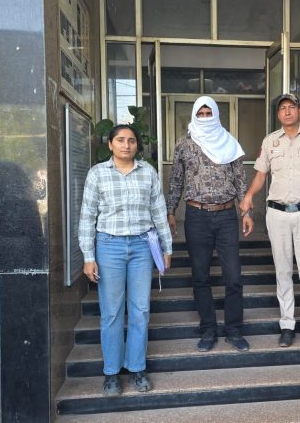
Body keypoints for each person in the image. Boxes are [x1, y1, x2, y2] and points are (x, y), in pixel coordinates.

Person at [78, 124, 172, 396]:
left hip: (142, 247)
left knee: (140, 310)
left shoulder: (148, 172)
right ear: (110, 144)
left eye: (131, 140)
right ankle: (111, 372)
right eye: (120, 140)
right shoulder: (97, 173)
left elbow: (159, 211)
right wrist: (88, 256)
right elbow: (87, 216)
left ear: (137, 145)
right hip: (109, 247)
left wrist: (166, 248)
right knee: (111, 312)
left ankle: (137, 368)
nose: (126, 145)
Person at [239, 93, 300, 350]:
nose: (287, 111)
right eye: (283, 108)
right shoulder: (270, 141)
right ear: (278, 114)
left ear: (299, 111)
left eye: (292, 107)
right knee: (282, 271)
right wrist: (249, 195)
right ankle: (287, 325)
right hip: (277, 214)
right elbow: (261, 175)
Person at [167, 96, 254, 353]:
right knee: (200, 276)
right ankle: (208, 330)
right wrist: (170, 210)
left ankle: (234, 330)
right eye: (201, 113)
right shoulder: (183, 145)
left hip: (226, 216)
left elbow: (240, 181)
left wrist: (247, 212)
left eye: (209, 113)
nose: (205, 117)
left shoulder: (229, 142)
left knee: (233, 277)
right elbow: (176, 181)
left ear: (216, 114)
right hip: (196, 216)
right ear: (195, 115)